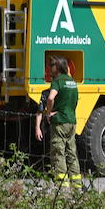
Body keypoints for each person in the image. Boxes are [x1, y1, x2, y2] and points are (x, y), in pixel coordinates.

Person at [34, 56, 81, 189]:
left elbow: (50, 97)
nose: (49, 69)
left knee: (58, 153)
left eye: (52, 66)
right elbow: (75, 101)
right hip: (71, 121)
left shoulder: (57, 81)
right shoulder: (72, 82)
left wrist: (49, 112)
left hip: (59, 122)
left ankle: (62, 186)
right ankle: (77, 185)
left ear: (58, 68)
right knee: (72, 153)